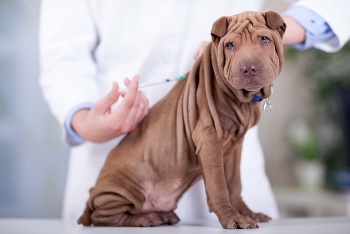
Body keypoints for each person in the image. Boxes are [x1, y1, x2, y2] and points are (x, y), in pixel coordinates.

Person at [39, 0, 350, 223]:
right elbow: (62, 60)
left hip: (237, 164)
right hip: (121, 153)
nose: (247, 59)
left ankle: (234, 201)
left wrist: (279, 31)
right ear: (218, 41)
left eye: (265, 41)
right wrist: (85, 122)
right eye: (230, 46)